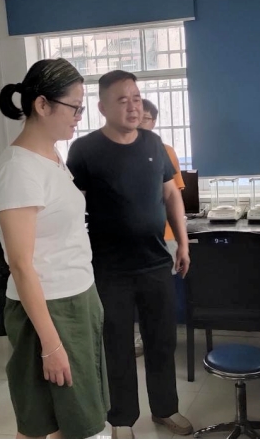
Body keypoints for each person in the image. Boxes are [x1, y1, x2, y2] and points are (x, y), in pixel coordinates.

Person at [67, 70, 192, 439]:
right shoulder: (85, 150)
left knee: (162, 341)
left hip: (156, 262)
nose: (133, 106)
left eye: (136, 98)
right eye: (122, 100)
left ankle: (166, 409)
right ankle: (121, 419)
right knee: (117, 347)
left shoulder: (153, 143)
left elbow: (171, 195)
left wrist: (182, 243)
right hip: (110, 269)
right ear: (102, 107)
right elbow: (71, 205)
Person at [0, 59, 109, 439]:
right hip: (48, 309)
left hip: (75, 297)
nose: (79, 117)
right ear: (42, 105)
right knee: (43, 422)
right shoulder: (18, 169)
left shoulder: (52, 157)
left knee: (72, 417)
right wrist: (51, 344)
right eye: (75, 107)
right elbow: (21, 265)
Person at [133, 99, 186, 358]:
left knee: (159, 294)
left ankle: (158, 340)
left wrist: (182, 240)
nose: (137, 123)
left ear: (153, 122)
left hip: (163, 236)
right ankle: (139, 337)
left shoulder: (164, 150)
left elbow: (174, 195)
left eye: (143, 118)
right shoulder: (116, 151)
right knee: (133, 290)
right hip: (131, 238)